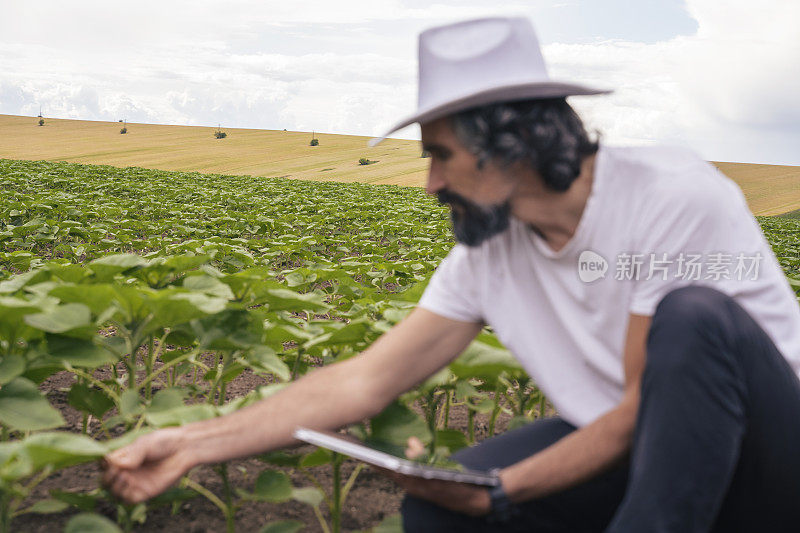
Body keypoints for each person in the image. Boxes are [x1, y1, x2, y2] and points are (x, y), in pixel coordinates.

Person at [103, 17, 800, 532]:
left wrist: (505, 488)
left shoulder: (670, 195)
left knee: (692, 317)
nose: (430, 183)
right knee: (443, 513)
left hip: (769, 460)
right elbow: (362, 380)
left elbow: (635, 414)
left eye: (440, 155)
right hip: (643, 456)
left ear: (510, 144)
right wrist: (191, 442)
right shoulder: (488, 252)